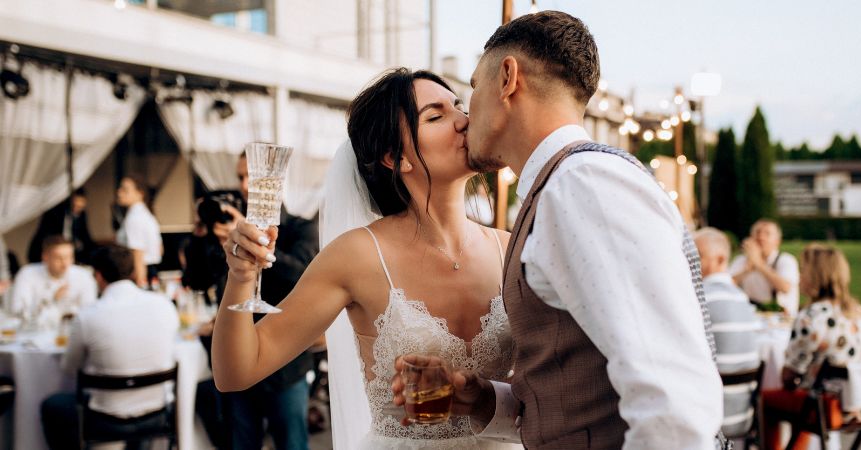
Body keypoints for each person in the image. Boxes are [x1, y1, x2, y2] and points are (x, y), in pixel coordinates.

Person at [394, 11, 723, 449]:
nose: (467, 116)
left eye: (473, 88)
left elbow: (674, 402)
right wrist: (483, 400)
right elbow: (577, 392)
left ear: (507, 78)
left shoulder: (582, 186)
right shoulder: (564, 186)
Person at [213, 68, 518, 449]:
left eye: (459, 107)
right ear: (396, 158)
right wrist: (241, 277)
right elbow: (237, 371)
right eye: (436, 116)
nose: (464, 121)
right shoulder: (358, 255)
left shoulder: (511, 249)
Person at [189, 155, 319, 450]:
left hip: (286, 364)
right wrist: (200, 236)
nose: (245, 186)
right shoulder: (228, 232)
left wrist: (257, 247)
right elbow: (197, 280)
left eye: (253, 178)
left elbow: (303, 276)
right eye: (240, 178)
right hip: (236, 357)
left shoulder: (300, 227)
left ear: (276, 184)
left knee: (292, 444)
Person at [40, 245, 178, 450]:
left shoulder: (88, 316)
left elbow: (69, 369)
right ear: (133, 272)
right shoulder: (164, 305)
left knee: (52, 406)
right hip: (158, 415)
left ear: (98, 276)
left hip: (105, 420)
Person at [762, 243, 861, 450]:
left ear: (815, 276)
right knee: (808, 394)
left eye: (803, 271)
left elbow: (788, 376)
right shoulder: (857, 311)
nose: (799, 277)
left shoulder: (811, 316)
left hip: (829, 408)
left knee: (767, 400)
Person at [694, 227, 761, 438]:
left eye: (697, 256)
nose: (689, 262)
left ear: (721, 259)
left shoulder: (698, 299)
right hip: (742, 418)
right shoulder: (743, 299)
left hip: (707, 420)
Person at [8, 236, 96, 330]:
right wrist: (52, 299)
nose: (65, 263)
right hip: (35, 332)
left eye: (69, 257)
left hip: (73, 332)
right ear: (45, 257)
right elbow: (18, 311)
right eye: (58, 258)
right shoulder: (27, 274)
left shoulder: (83, 275)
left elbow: (89, 312)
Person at [730, 219, 800, 317]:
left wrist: (759, 264)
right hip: (750, 315)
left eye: (767, 234)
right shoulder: (740, 260)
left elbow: (785, 288)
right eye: (757, 232)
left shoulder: (786, 260)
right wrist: (747, 270)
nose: (761, 237)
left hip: (780, 318)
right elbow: (727, 284)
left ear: (778, 241)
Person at [115, 175, 163, 288]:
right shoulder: (145, 214)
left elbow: (137, 253)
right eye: (120, 188)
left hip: (140, 273)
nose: (119, 193)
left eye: (125, 190)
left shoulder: (135, 218)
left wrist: (140, 284)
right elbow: (160, 249)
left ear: (140, 193)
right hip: (150, 270)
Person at [28, 189, 95, 265]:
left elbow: (86, 237)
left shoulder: (82, 215)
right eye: (75, 206)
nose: (77, 210)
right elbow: (47, 236)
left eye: (80, 207)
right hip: (52, 250)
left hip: (72, 251)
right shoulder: (55, 213)